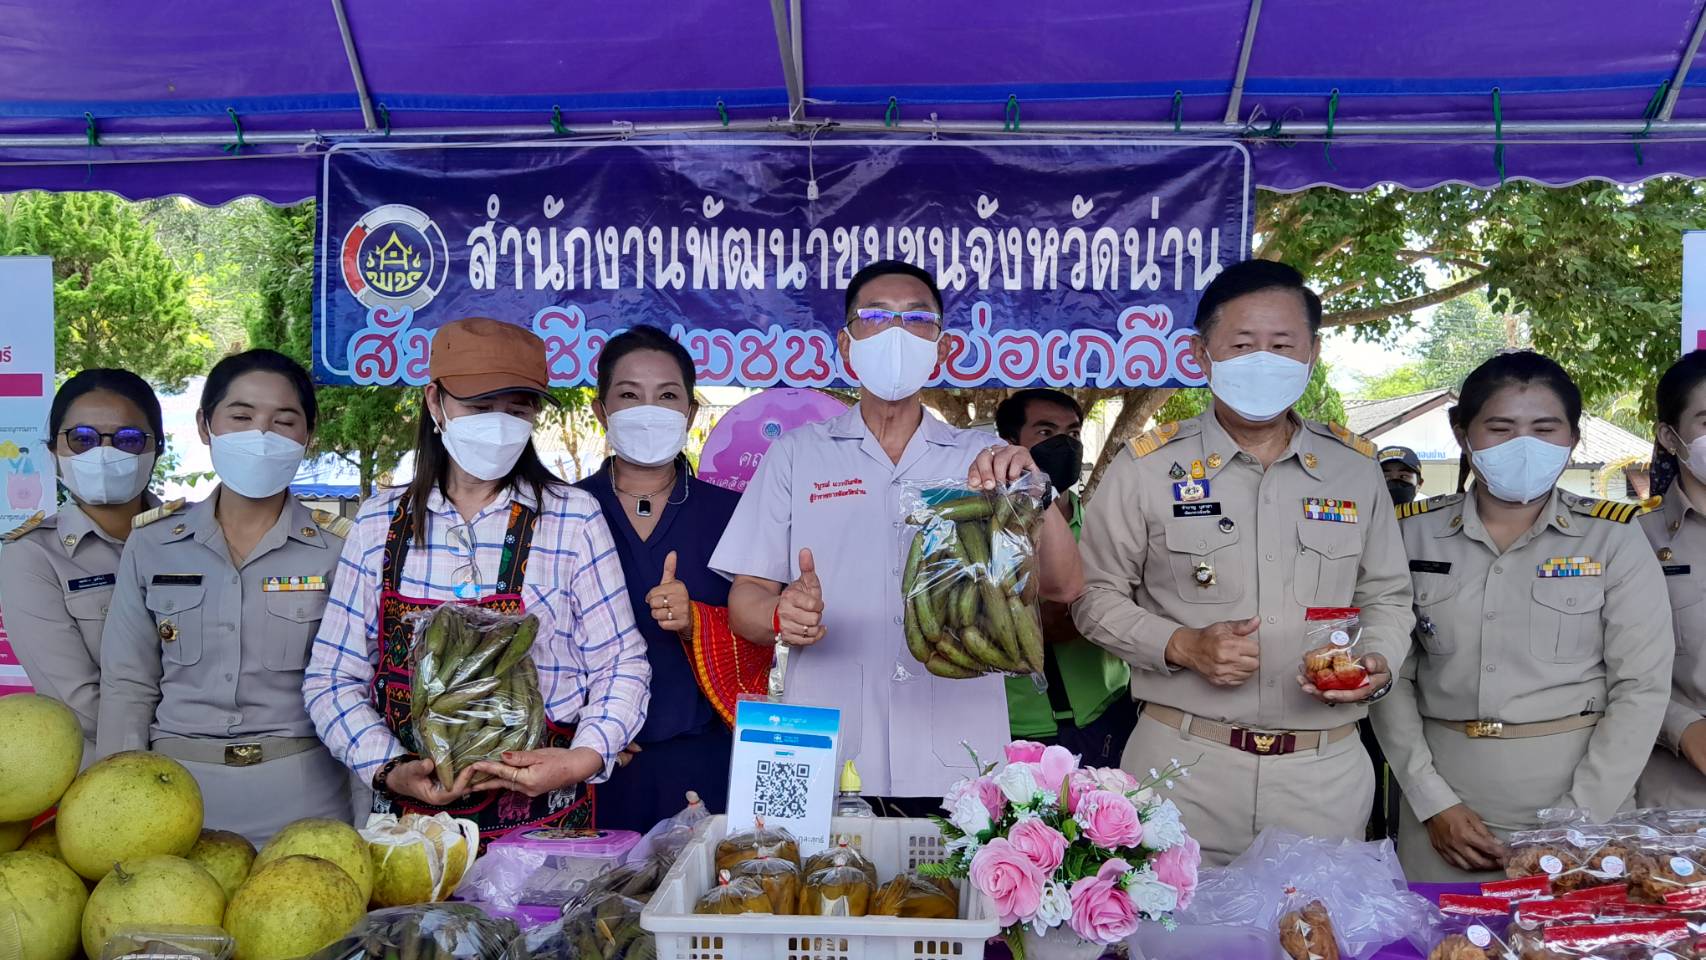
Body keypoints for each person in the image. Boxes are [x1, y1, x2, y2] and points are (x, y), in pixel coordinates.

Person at [710, 260, 1085, 813]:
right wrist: (778, 614)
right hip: (820, 754)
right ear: (845, 345)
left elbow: (1063, 584)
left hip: (962, 757)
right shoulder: (797, 454)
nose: (895, 334)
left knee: (952, 896)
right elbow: (744, 599)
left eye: (916, 321)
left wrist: (1034, 485)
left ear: (942, 347)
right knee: (813, 895)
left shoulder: (978, 459)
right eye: (876, 318)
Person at [1072, 259, 1412, 867]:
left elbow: (1388, 594)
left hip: (1323, 773)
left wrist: (1378, 660)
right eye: (1242, 344)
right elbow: (1091, 596)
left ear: (1311, 354)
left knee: (1312, 939)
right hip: (1182, 770)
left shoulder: (1355, 468)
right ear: (1202, 356)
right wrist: (1182, 644)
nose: (1264, 360)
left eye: (1282, 345)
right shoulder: (1147, 466)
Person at [304, 317, 649, 841]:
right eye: (479, 407)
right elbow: (332, 679)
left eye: (517, 410)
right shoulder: (379, 524)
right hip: (414, 830)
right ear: (435, 402)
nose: (499, 424)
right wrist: (391, 767)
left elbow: (621, 661)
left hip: (543, 827)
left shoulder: (573, 518)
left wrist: (583, 756)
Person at [1370, 350, 1672, 882]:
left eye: (1544, 428)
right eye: (1501, 427)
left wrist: (1576, 823)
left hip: (1584, 812)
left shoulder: (1613, 537)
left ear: (1573, 439)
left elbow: (1641, 687)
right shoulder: (1408, 534)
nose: (1523, 445)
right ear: (1462, 432)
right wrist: (1430, 799)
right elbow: (1390, 676)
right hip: (1442, 814)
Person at [98, 350, 353, 844]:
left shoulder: (341, 549)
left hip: (306, 801)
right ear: (204, 425)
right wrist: (117, 802)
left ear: (308, 436)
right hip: (174, 796)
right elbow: (129, 686)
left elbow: (356, 688)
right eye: (241, 416)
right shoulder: (152, 544)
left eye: (284, 420)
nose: (261, 434)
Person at [575, 326, 767, 831]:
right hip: (586, 767)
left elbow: (769, 649)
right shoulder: (560, 512)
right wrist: (591, 734)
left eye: (666, 396)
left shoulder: (733, 515)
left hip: (704, 765)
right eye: (629, 396)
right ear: (601, 412)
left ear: (690, 413)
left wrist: (697, 624)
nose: (648, 409)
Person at [1, 369, 163, 751]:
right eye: (82, 439)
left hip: (225, 766)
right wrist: (189, 740)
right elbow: (79, 705)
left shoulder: (197, 535)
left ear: (158, 448)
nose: (103, 453)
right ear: (53, 450)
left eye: (128, 439)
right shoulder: (33, 555)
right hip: (111, 779)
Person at [993, 388, 1135, 765]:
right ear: (1010, 443)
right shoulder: (986, 530)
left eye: (1073, 434)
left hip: (1102, 718)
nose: (1065, 444)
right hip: (1013, 728)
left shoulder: (1103, 525)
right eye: (1045, 432)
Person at [1637, 350, 1706, 810]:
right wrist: (1682, 727)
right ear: (1670, 436)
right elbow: (1603, 665)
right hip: (1678, 801)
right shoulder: (1632, 538)